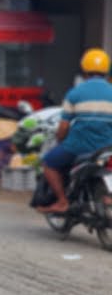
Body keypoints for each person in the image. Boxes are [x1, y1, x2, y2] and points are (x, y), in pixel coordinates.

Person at [37, 48, 112, 214]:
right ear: (106, 70)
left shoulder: (75, 93)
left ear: (85, 71)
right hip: (108, 148)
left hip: (79, 146)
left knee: (49, 163)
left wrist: (60, 140)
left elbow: (63, 127)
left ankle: (63, 201)